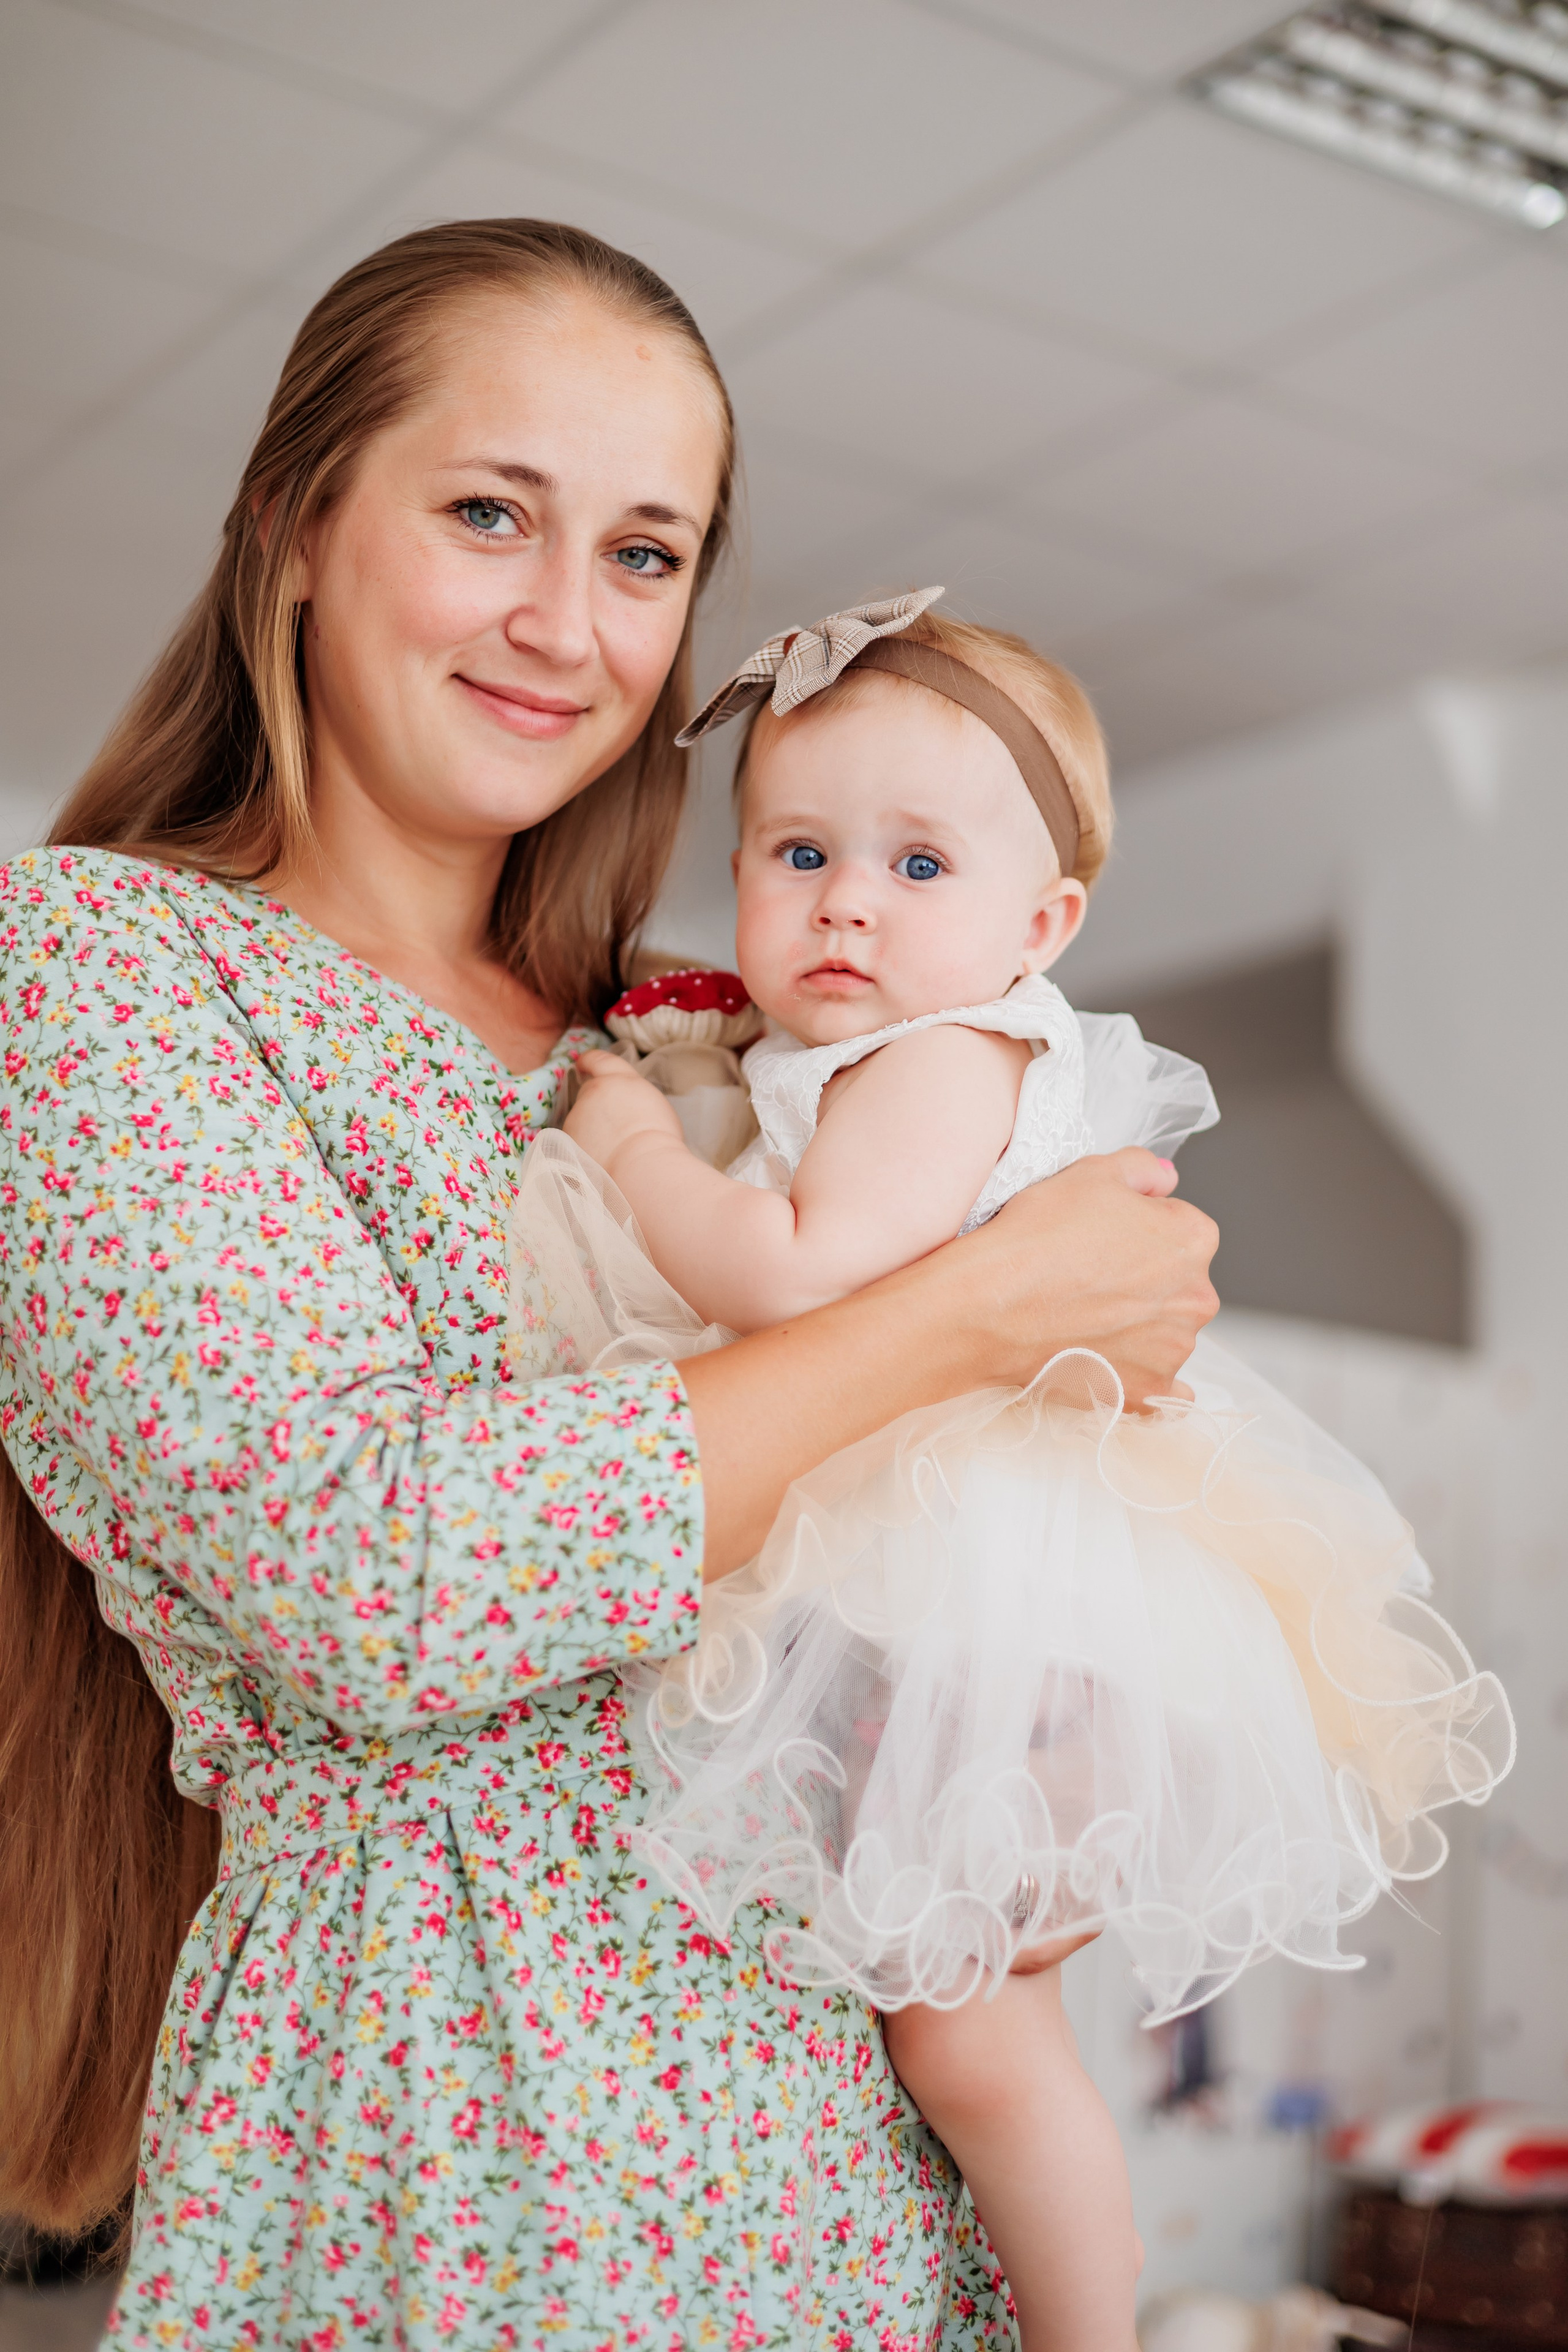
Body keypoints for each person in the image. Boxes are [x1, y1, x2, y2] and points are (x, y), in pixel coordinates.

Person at [0, 223, 1222, 2350]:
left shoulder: (675, 1034)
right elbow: (366, 1576)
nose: (568, 626)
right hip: (468, 2136)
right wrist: (978, 1310)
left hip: (857, 2154)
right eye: (491, 514)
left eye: (646, 557)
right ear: (296, 524)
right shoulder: (101, 973)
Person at [527, 590, 1515, 2352]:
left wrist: (619, 1136)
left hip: (1005, 1603)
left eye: (920, 867)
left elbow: (785, 1275)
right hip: (937, 1587)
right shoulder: (833, 1053)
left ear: (1041, 924)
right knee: (930, 2006)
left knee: (972, 2031)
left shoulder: (943, 1056)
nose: (845, 900)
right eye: (801, 848)